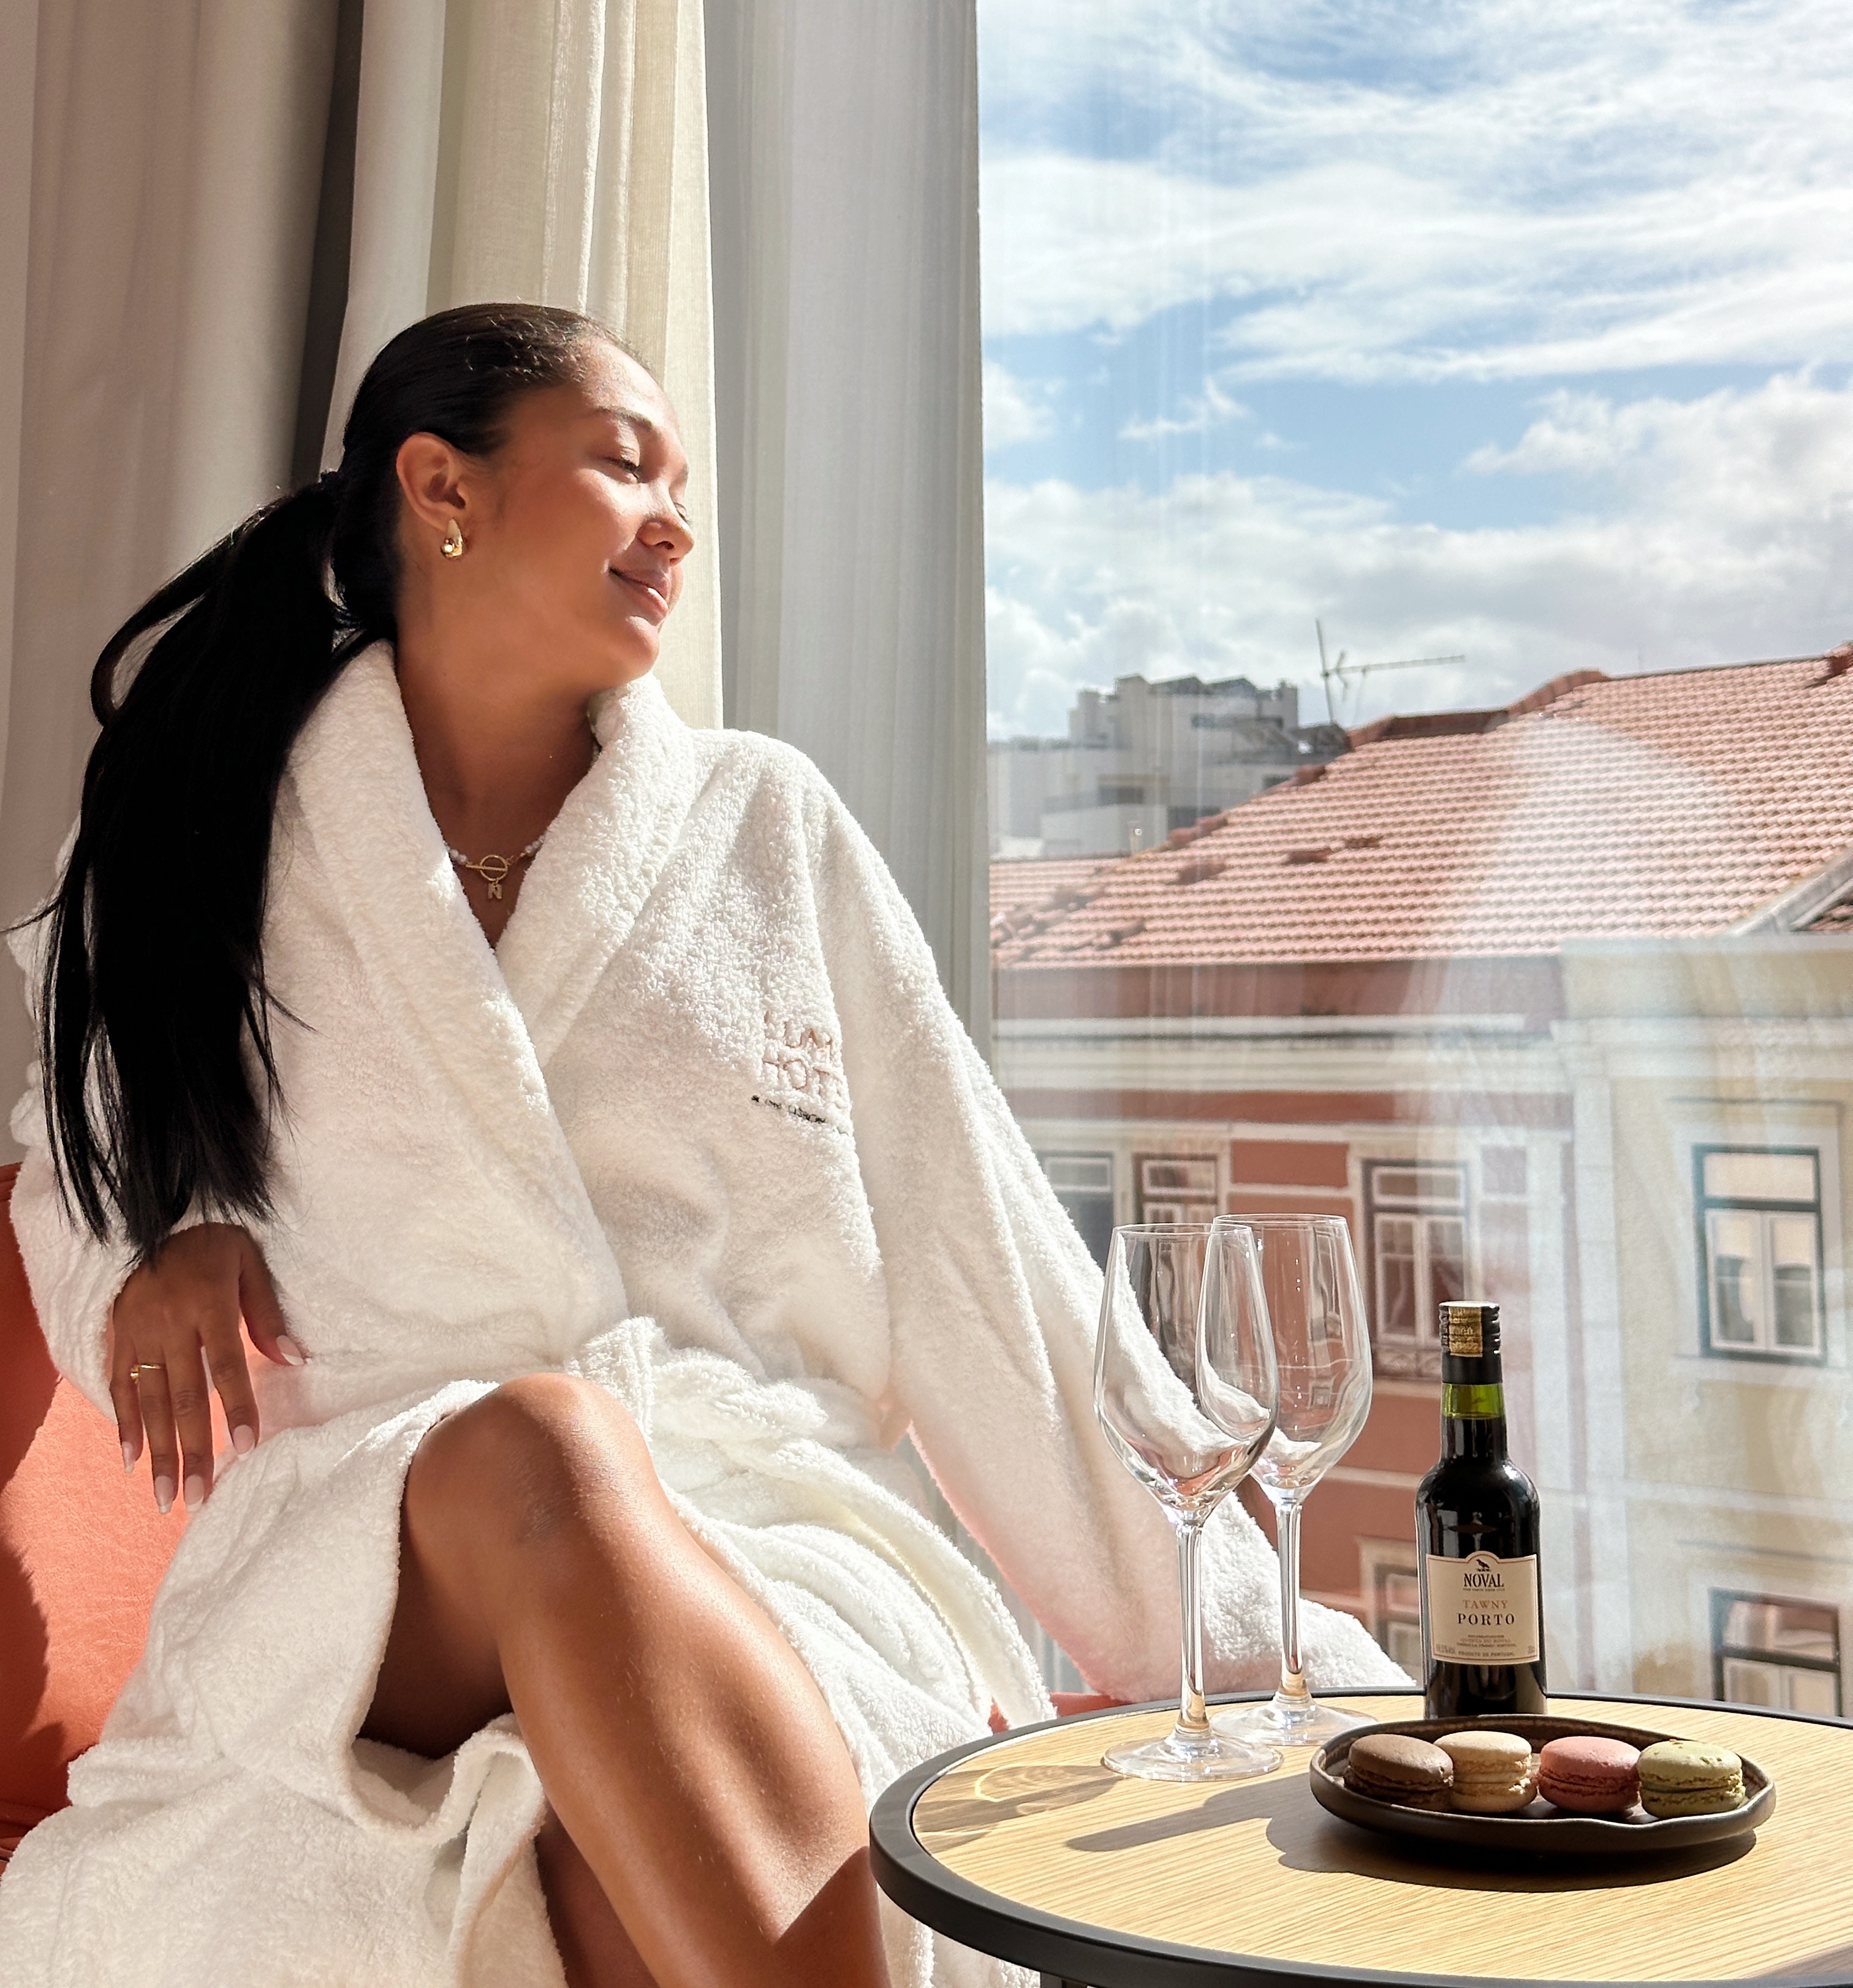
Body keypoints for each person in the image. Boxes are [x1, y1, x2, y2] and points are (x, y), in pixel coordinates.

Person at [0, 305, 1398, 1988]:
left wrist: (1253, 1650)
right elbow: (67, 1125)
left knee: (607, 1893)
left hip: (765, 1546)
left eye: (685, 488)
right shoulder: (212, 824)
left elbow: (982, 1260)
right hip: (371, 1575)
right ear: (442, 489)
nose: (674, 523)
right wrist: (144, 1254)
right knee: (547, 1448)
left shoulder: (765, 828)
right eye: (623, 465)